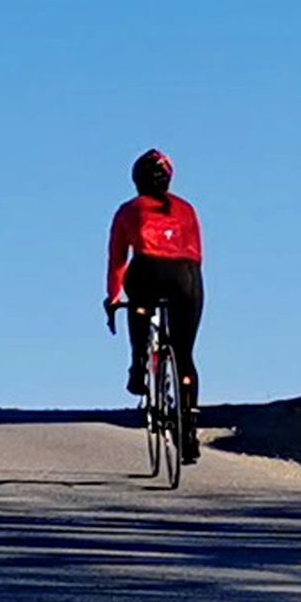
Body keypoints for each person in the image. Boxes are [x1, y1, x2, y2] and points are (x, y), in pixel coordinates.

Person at [104, 148, 205, 460]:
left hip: (147, 271)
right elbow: (199, 253)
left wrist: (113, 298)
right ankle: (188, 427)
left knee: (140, 308)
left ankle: (138, 366)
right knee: (185, 354)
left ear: (136, 181)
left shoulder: (127, 210)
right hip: (187, 277)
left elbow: (118, 260)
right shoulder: (188, 210)